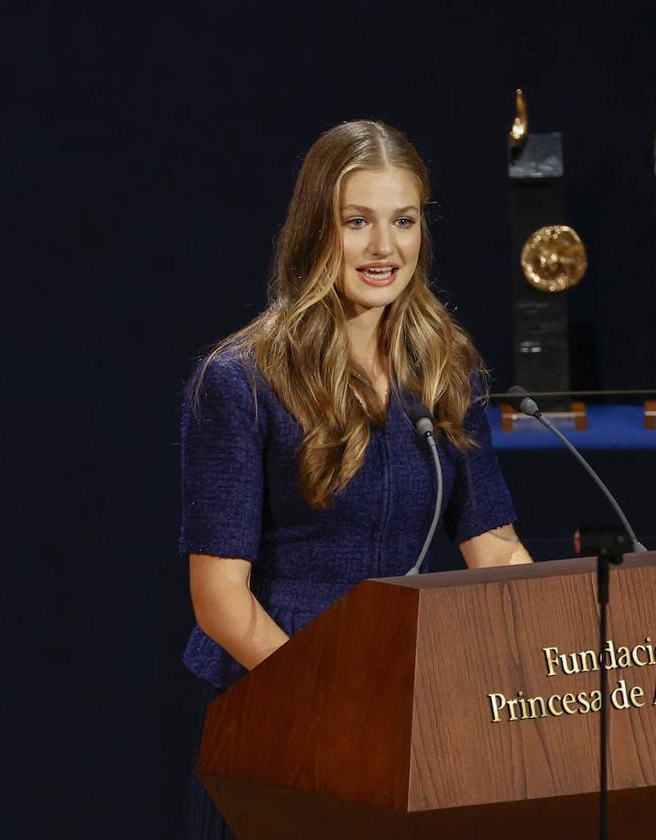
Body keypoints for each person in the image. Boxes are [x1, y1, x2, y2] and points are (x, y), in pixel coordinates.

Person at [179, 120, 531, 838]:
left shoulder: (445, 368)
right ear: (316, 230)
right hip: (279, 710)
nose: (384, 248)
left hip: (409, 716)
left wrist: (556, 655)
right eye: (357, 222)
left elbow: (494, 550)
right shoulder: (242, 381)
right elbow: (220, 600)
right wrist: (329, 710)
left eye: (402, 221)